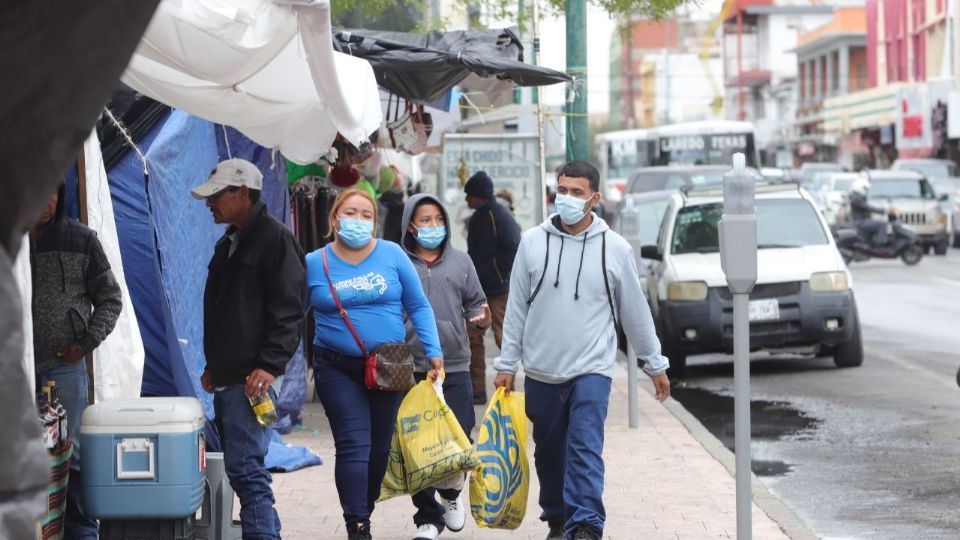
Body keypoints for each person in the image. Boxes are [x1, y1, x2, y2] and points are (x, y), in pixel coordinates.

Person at [493, 160, 671, 540]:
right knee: (550, 452)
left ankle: (587, 524)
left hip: (592, 370)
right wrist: (507, 363)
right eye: (562, 190)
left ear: (594, 198)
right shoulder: (532, 242)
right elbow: (516, 308)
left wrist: (654, 364)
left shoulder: (616, 249)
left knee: (585, 447)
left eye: (577, 192)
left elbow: (635, 312)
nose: (568, 198)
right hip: (541, 371)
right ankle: (557, 519)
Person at [307, 188, 445, 540]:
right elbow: (290, 312)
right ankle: (358, 525)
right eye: (350, 212)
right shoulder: (314, 262)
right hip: (336, 366)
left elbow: (418, 305)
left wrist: (433, 350)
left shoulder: (392, 254)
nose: (358, 220)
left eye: (366, 215)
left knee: (381, 448)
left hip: (390, 364)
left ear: (375, 221)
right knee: (354, 443)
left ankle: (362, 505)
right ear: (334, 218)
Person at [193, 158, 306, 540]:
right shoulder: (230, 241)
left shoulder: (273, 239)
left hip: (252, 379)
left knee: (246, 471)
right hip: (231, 377)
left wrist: (269, 365)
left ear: (242, 192)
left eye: (216, 196)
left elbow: (289, 310)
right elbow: (229, 311)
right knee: (246, 469)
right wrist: (215, 366)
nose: (210, 204)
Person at [31, 182, 122, 539]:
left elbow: (111, 298)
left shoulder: (81, 240)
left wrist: (84, 343)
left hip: (65, 368)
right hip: (17, 369)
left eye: (53, 192)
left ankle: (81, 531)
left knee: (72, 452)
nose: (46, 201)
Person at [400, 194, 490, 540]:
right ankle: (427, 516)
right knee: (415, 444)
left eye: (438, 219)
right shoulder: (399, 262)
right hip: (409, 368)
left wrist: (480, 319)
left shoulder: (461, 262)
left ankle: (451, 495)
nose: (433, 226)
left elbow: (476, 305)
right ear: (411, 225)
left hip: (454, 365)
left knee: (459, 435)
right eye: (425, 220)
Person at [463, 171, 521, 404]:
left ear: (478, 196)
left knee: (502, 338)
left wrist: (497, 272)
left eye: (468, 195)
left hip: (498, 290)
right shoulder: (478, 218)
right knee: (474, 339)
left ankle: (509, 389)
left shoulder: (500, 216)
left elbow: (513, 247)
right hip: (478, 290)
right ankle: (477, 390)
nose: (466, 200)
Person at [849, 177, 890, 246]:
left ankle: (872, 242)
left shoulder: (858, 197)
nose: (866, 191)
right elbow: (868, 207)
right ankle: (879, 245)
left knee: (877, 222)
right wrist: (882, 211)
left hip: (863, 221)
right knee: (882, 224)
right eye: (865, 189)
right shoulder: (856, 199)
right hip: (860, 222)